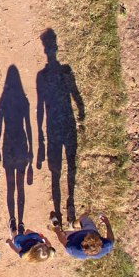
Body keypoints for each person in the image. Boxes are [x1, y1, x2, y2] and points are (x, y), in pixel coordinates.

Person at [36, 29, 85, 223]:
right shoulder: (45, 75)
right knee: (56, 170)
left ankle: (70, 204)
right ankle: (59, 209)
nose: (51, 50)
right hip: (56, 127)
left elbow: (75, 93)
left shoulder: (64, 72)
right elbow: (40, 105)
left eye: (52, 45)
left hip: (64, 125)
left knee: (69, 166)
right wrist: (39, 134)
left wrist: (81, 110)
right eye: (48, 46)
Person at [0, 65, 33, 233]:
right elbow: (29, 126)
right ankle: (20, 221)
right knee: (20, 185)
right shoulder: (24, 102)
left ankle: (13, 219)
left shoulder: (3, 102)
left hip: (8, 144)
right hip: (21, 143)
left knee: (11, 185)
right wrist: (31, 148)